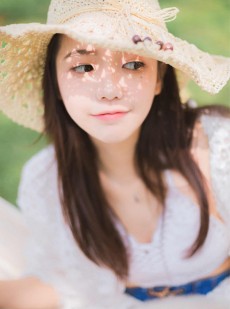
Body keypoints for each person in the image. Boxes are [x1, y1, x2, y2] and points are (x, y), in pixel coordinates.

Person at [0, 0, 230, 308]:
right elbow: (61, 285)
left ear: (159, 78)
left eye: (134, 65)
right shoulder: (46, 181)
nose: (109, 89)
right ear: (54, 80)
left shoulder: (214, 143)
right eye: (83, 66)